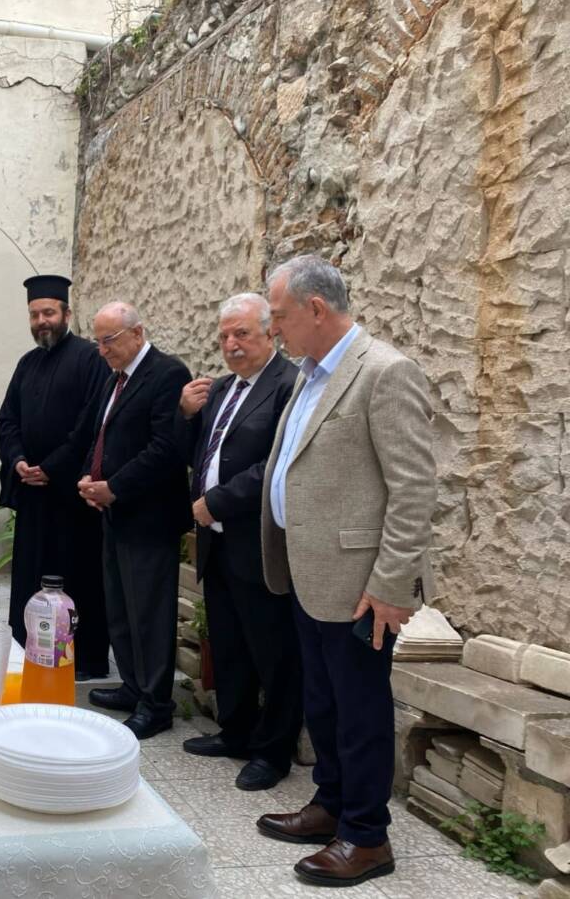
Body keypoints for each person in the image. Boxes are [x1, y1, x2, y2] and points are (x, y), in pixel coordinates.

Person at [254, 255, 435, 888]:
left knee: (359, 710)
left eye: (278, 317)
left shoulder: (385, 373)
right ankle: (330, 804)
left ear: (315, 309)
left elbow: (413, 490)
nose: (273, 330)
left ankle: (366, 836)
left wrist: (391, 586)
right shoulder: (310, 374)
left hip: (362, 587)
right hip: (312, 575)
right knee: (323, 703)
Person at [174, 293, 301, 789]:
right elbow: (197, 455)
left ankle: (273, 752)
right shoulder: (222, 389)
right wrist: (186, 415)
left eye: (242, 333)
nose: (231, 343)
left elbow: (278, 465)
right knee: (228, 644)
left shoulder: (289, 385)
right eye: (225, 335)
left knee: (273, 652)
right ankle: (236, 731)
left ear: (271, 333)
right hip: (217, 542)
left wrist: (218, 503)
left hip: (259, 542)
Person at [75, 302, 192, 739]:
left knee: (149, 613)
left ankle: (157, 702)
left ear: (137, 333)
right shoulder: (117, 379)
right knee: (119, 608)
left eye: (110, 340)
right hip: (115, 511)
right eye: (98, 341)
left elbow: (165, 449)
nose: (103, 350)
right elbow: (103, 434)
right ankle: (132, 684)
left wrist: (115, 487)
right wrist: (91, 475)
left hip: (148, 515)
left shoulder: (166, 374)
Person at [0, 275, 111, 679]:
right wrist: (17, 460)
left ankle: (82, 660)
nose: (42, 320)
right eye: (34, 314)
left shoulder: (90, 359)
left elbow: (90, 425)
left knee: (75, 578)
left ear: (66, 313)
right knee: (30, 576)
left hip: (70, 499)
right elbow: (7, 420)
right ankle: (30, 651)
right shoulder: (27, 363)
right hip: (33, 495)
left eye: (48, 312)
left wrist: (54, 467)